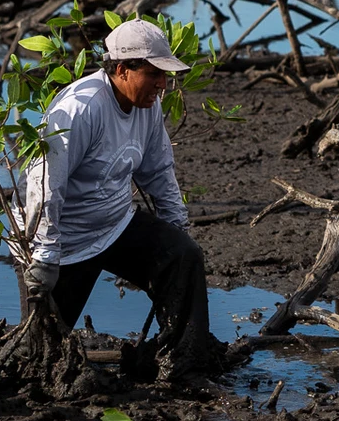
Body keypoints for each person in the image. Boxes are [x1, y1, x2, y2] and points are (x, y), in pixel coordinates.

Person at [20, 19, 221, 381]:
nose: (162, 85)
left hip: (115, 226)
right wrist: (45, 254)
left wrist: (176, 222)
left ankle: (184, 365)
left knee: (182, 257)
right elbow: (44, 183)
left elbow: (157, 168)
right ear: (123, 69)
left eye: (165, 75)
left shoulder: (148, 106)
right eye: (154, 73)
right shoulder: (81, 108)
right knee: (41, 359)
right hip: (66, 242)